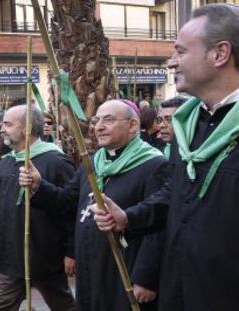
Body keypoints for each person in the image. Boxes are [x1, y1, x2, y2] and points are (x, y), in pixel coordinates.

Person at [92, 4, 239, 311]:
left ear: (220, 53)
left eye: (181, 51)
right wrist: (129, 217)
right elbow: (177, 193)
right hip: (180, 289)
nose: (172, 62)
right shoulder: (190, 125)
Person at [19, 99, 167, 310]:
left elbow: (159, 226)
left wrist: (146, 278)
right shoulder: (94, 162)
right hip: (91, 264)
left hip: (124, 268)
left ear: (133, 125)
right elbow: (66, 201)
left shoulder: (154, 164)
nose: (99, 126)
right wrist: (39, 186)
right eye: (97, 120)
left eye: (108, 120)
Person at [0, 105, 76, 311]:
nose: (2, 129)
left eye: (8, 124)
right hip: (14, 254)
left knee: (62, 305)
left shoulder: (56, 161)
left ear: (27, 128)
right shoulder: (8, 161)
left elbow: (71, 207)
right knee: (3, 304)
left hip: (45, 255)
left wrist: (71, 252)